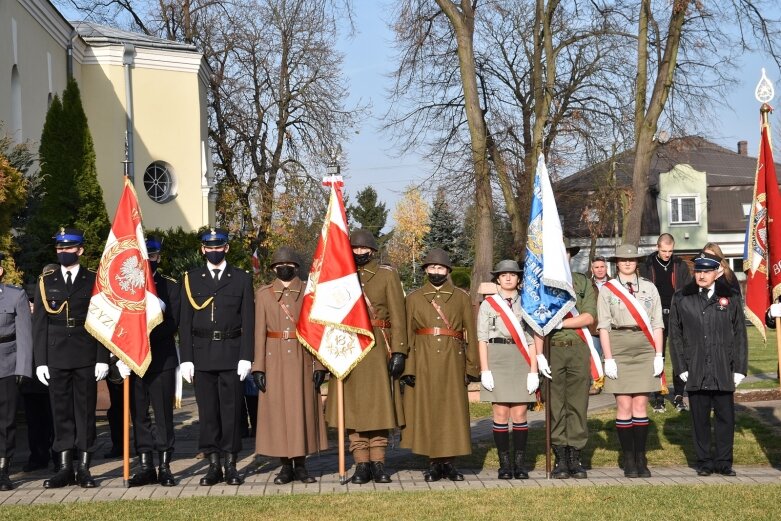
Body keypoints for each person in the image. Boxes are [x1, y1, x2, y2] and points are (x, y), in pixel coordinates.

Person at [325, 229, 407, 484]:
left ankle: (379, 462)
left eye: (364, 249)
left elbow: (398, 316)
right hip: (347, 348)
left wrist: (400, 351)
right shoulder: (340, 277)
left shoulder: (386, 275)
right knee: (354, 409)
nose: (360, 253)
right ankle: (361, 463)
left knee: (378, 408)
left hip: (377, 348)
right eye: (356, 249)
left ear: (372, 250)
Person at [33, 228, 110, 488]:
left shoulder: (94, 279)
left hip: (86, 352)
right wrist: (41, 361)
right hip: (56, 355)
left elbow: (101, 321)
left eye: (68, 248)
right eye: (60, 248)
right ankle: (64, 468)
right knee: (61, 413)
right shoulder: (47, 281)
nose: (63, 252)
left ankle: (85, 468)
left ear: (80, 250)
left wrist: (102, 357)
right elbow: (40, 324)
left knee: (85, 413)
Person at [179, 228, 254, 486]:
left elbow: (249, 320)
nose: (213, 251)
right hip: (201, 354)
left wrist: (247, 356)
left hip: (232, 351)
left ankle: (231, 464)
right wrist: (186, 358)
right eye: (209, 247)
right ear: (202, 249)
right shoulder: (191, 279)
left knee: (231, 412)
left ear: (227, 248)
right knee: (208, 411)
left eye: (218, 246)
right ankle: (213, 464)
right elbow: (184, 322)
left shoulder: (241, 279)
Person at [400, 248, 479, 482]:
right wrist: (409, 367)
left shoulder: (461, 297)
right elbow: (407, 335)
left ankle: (450, 463)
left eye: (440, 268)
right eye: (432, 268)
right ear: (425, 270)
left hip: (453, 360)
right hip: (423, 360)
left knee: (451, 412)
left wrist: (472, 366)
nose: (436, 271)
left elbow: (471, 335)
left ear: (448, 271)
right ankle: (433, 463)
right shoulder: (413, 298)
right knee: (428, 411)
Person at [668, 251, 747, 476]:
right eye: (698, 271)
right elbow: (675, 335)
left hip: (723, 367)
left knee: (725, 418)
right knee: (699, 419)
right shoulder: (682, 297)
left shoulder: (730, 296)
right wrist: (680, 366)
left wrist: (740, 368)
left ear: (717, 272)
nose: (702, 275)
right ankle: (703, 462)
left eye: (707, 271)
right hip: (695, 367)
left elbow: (740, 333)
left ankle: (724, 462)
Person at [252, 246, 327, 485]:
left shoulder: (308, 293)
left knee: (301, 411)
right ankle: (284, 466)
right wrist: (259, 367)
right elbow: (258, 334)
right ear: (273, 269)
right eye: (278, 266)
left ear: (296, 268)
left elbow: (317, 330)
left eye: (289, 266)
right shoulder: (263, 294)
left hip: (302, 357)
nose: (283, 269)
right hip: (273, 360)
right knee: (277, 413)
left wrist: (319, 366)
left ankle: (302, 465)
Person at [598, 243, 664, 478]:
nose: (627, 263)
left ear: (637, 262)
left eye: (632, 260)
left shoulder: (649, 288)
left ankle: (641, 456)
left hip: (645, 346)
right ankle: (628, 457)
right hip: (619, 345)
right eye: (622, 260)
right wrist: (608, 359)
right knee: (624, 406)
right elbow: (603, 326)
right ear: (617, 263)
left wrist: (659, 354)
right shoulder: (608, 290)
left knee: (640, 406)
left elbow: (657, 323)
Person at [120, 236, 181, 487]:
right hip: (134, 359)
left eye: (152, 256)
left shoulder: (170, 286)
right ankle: (145, 466)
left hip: (161, 358)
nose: (148, 261)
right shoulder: (126, 286)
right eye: (144, 257)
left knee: (163, 414)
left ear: (159, 257)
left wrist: (144, 337)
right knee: (139, 414)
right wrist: (122, 351)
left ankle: (165, 466)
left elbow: (173, 322)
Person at [535, 240, 597, 479]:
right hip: (553, 350)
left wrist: (560, 322)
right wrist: (539, 355)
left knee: (578, 404)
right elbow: (536, 321)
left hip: (578, 348)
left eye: (566, 252)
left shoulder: (581, 282)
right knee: (555, 404)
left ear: (570, 256)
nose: (563, 256)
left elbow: (588, 316)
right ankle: (560, 456)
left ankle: (575, 456)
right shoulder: (542, 285)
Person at [478, 260, 538, 480]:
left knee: (520, 413)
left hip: (521, 357)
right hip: (497, 357)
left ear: (519, 278)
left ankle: (519, 464)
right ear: (498, 279)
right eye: (504, 275)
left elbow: (532, 339)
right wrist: (485, 370)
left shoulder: (528, 303)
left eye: (512, 274)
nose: (508, 278)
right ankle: (504, 465)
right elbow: (482, 338)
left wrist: (533, 370)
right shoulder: (488, 305)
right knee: (501, 413)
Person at [639, 233, 692, 413]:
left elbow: (687, 290)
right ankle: (659, 397)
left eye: (670, 251)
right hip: (655, 317)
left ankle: (678, 395)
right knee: (657, 357)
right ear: (657, 247)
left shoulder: (680, 265)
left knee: (679, 355)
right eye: (664, 251)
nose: (667, 254)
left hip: (677, 316)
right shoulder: (646, 264)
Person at [20, 264, 59, 474]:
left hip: (55, 371)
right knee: (35, 421)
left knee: (56, 418)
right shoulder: (29, 302)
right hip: (33, 373)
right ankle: (38, 456)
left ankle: (59, 456)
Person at [0, 253, 34, 491]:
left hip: (7, 365)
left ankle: (3, 469)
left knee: (6, 421)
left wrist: (23, 368)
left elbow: (24, 335)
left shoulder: (15, 295)